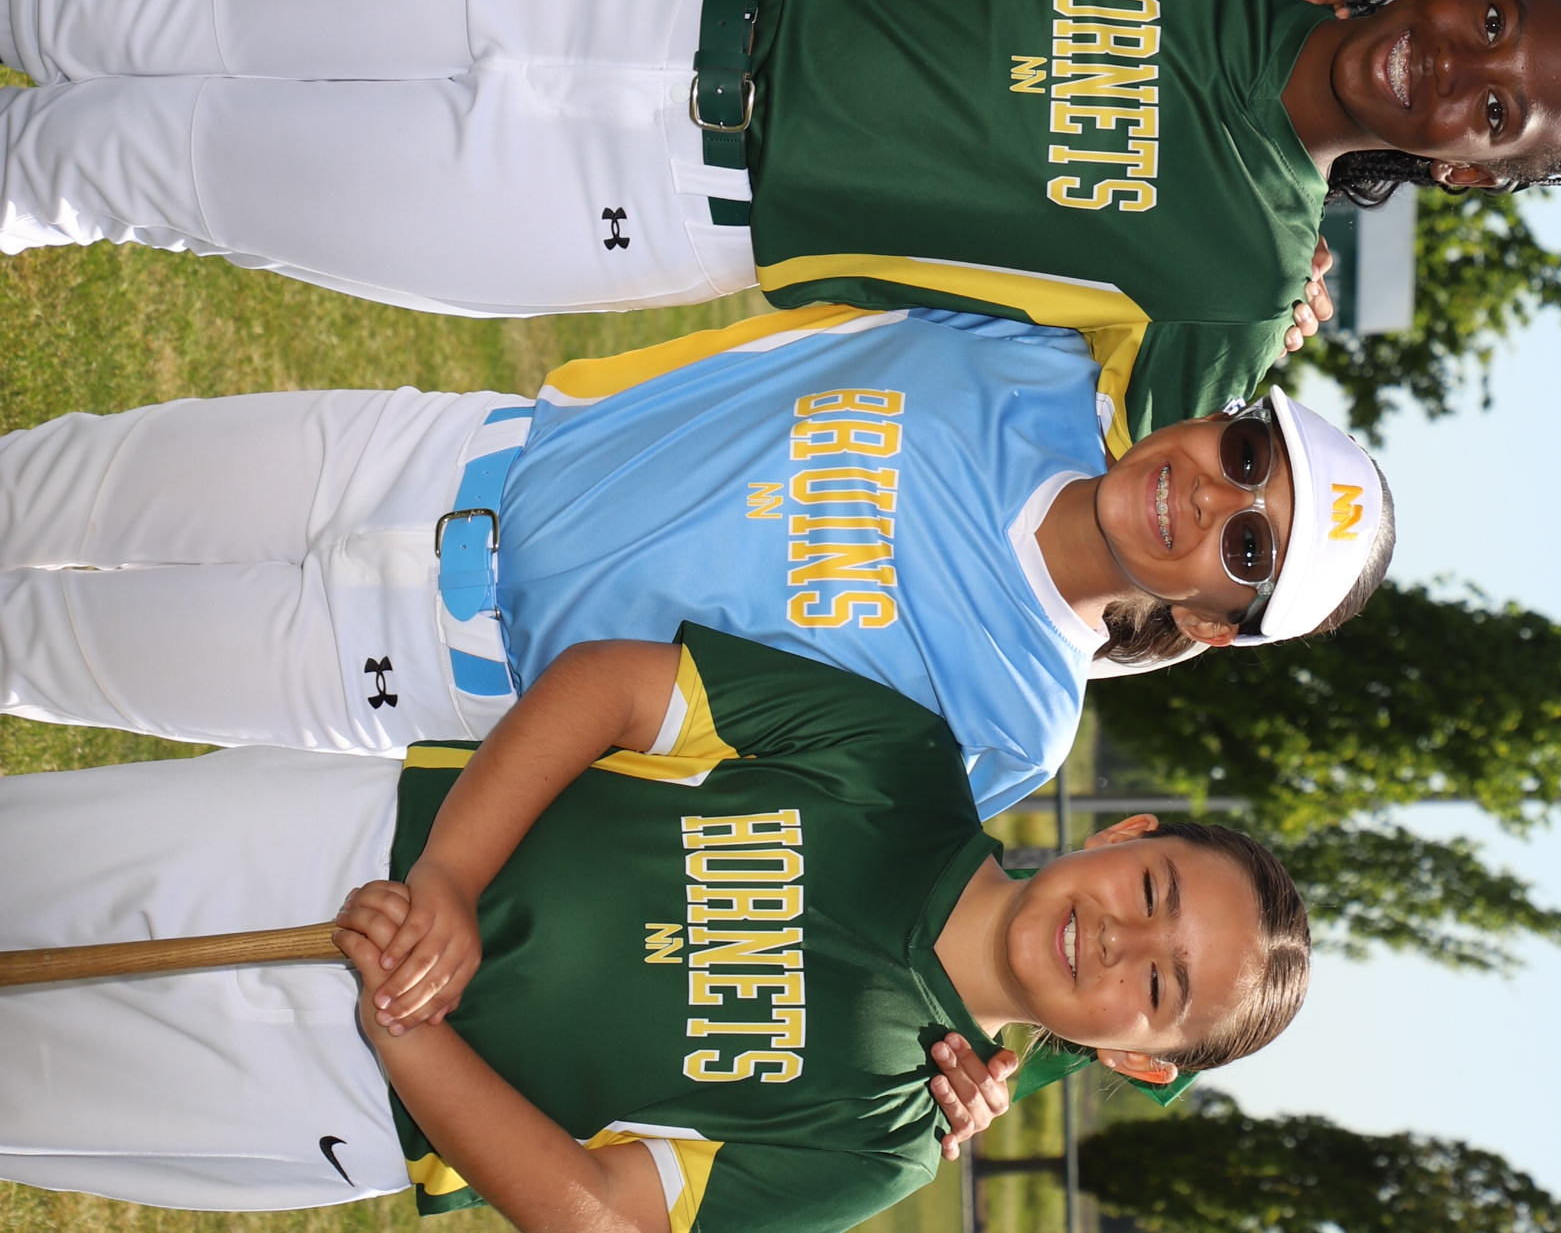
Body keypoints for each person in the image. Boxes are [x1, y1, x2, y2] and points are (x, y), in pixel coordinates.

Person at [0, 0, 1561, 440]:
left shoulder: (1231, 285)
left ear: (1464, 173)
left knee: (131, 176)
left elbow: (1112, 559)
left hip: (644, 206)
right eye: (1492, 22)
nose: (1457, 67)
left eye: (1494, 114)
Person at [0, 626, 1312, 1233]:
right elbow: (613, 689)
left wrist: (408, 1031)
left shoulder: (885, 1139)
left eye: (1161, 988)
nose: (1122, 939)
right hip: (359, 844)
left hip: (348, 1097)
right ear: (1125, 837)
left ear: (1136, 1057)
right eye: (1152, 892)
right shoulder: (902, 767)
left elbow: (590, 1214)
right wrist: (448, 880)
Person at [0, 298, 1392, 806]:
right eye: (1245, 453)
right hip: (437, 450)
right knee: (54, 476)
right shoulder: (1040, 357)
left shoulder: (1012, 724)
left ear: (1213, 624)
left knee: (47, 653)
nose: (1208, 497)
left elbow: (787, 843)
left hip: (429, 669)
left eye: (1247, 548)